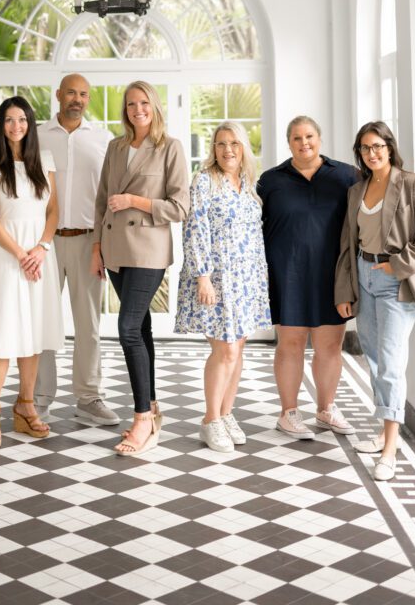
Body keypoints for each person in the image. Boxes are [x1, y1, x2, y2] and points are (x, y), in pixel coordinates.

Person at [335, 121, 415, 481]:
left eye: (378, 146)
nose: (372, 153)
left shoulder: (412, 183)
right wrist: (345, 290)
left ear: (390, 147)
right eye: (365, 148)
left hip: (395, 280)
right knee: (376, 360)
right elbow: (348, 244)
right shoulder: (357, 190)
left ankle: (392, 447)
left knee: (392, 362)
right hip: (363, 276)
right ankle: (384, 431)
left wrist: (396, 266)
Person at [92, 81, 189, 455]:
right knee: (142, 329)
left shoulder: (170, 148)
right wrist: (97, 248)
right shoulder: (116, 147)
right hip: (115, 249)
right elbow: (102, 199)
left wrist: (136, 200)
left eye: (143, 102)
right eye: (131, 104)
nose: (137, 110)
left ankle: (141, 418)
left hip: (148, 249)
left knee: (128, 328)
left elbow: (180, 207)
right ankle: (151, 407)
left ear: (155, 105)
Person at [257, 116, 359, 440]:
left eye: (310, 136)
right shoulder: (270, 180)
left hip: (332, 276)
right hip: (286, 274)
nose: (304, 143)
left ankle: (326, 409)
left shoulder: (346, 176)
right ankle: (288, 413)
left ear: (320, 138)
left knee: (330, 345)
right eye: (297, 138)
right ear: (289, 142)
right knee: (291, 344)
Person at [175, 122, 272, 452]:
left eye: (233, 143)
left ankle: (227, 413)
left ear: (243, 147)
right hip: (216, 278)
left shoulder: (248, 184)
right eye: (220, 144)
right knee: (225, 350)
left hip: (246, 280)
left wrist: (259, 280)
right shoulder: (205, 181)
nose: (227, 149)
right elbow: (195, 228)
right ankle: (210, 420)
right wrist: (202, 276)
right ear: (213, 149)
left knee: (238, 350)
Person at [0, 96, 63, 448]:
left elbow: (54, 212)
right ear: (0, 125)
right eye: (8, 120)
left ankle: (26, 406)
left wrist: (41, 249)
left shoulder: (46, 163)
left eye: (22, 119)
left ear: (30, 124)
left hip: (40, 258)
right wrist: (20, 253)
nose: (15, 126)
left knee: (34, 333)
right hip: (8, 259)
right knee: (3, 334)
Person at [35, 74, 117, 426]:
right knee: (42, 323)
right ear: (58, 95)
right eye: (71, 92)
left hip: (88, 241)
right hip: (44, 242)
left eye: (83, 94)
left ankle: (88, 397)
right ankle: (38, 399)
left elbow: (109, 197)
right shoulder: (36, 135)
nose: (77, 99)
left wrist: (102, 245)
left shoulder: (103, 140)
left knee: (89, 326)